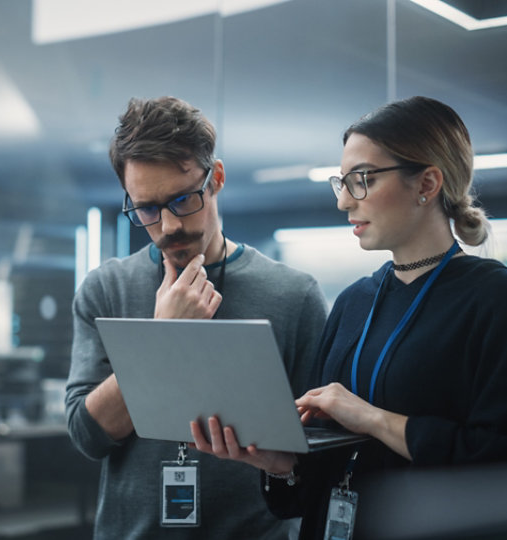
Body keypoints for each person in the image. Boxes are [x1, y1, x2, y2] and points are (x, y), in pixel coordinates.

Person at [191, 96, 507, 539]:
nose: (345, 201)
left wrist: (371, 418)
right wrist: (280, 463)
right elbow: (312, 483)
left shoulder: (494, 297)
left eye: (362, 179)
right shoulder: (353, 302)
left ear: (427, 183)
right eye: (342, 183)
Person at [65, 95, 328, 539]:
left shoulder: (294, 295)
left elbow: (319, 452)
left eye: (182, 200)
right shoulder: (105, 288)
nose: (167, 225)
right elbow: (88, 436)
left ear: (216, 179)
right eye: (146, 208)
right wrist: (163, 336)